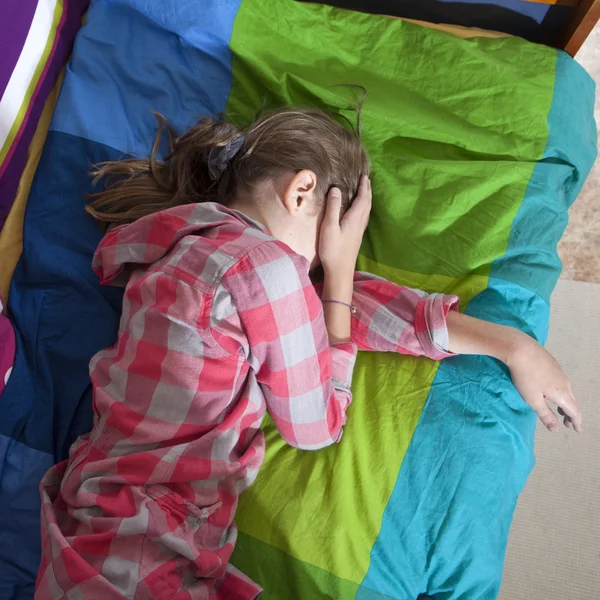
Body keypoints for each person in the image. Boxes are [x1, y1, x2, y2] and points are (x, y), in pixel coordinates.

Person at [35, 107, 582, 600]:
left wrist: (511, 345)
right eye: (326, 250)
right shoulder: (267, 270)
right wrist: (338, 271)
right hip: (143, 546)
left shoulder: (175, 244)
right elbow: (315, 426)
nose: (321, 270)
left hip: (101, 522)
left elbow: (325, 308)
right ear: (303, 192)